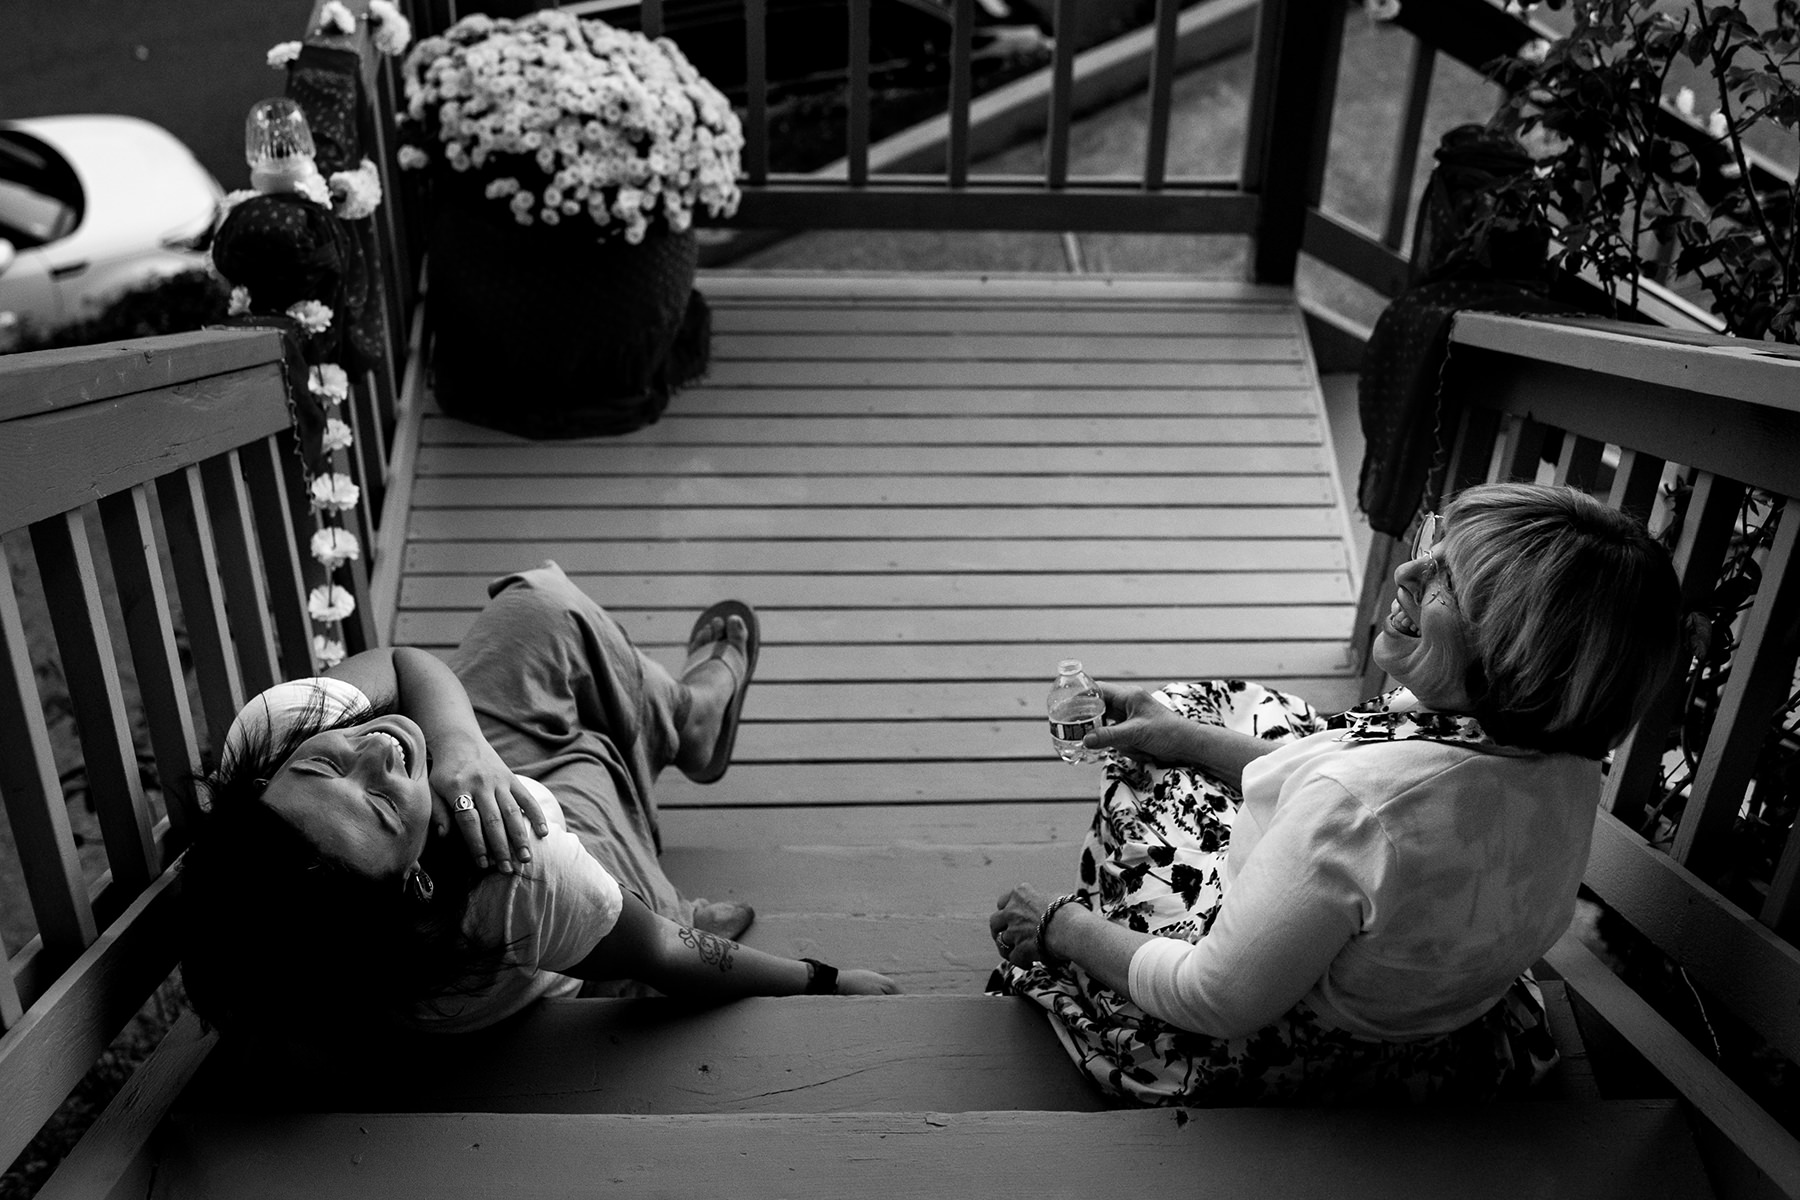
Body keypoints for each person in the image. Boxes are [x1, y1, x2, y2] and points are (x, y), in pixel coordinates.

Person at [989, 483, 1684, 1105]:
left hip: (1279, 1045)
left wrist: (1060, 925)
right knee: (1213, 715)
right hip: (1447, 1026)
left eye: (1449, 581)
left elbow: (1212, 996)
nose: (1408, 570)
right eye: (1433, 542)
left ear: (1517, 656)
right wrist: (1185, 738)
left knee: (1140, 789)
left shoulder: (1360, 806)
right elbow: (1353, 804)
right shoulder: (1560, 748)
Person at [180, 563, 896, 1040]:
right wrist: (822, 981)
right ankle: (653, 863)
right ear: (417, 879)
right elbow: (666, 952)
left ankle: (684, 719)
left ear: (260, 783)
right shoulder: (521, 889)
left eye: (326, 763)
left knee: (535, 613)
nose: (373, 748)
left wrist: (458, 743)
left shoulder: (273, 739)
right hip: (560, 870)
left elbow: (402, 666)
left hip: (467, 782)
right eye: (381, 805)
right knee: (589, 763)